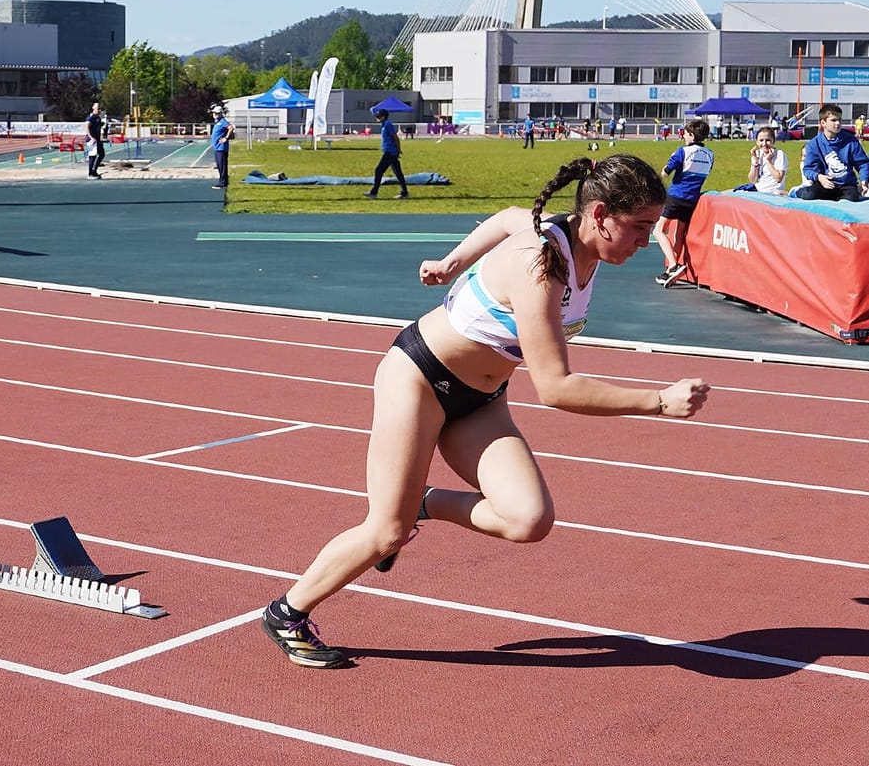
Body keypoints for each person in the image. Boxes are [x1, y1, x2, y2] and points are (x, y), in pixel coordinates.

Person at [259, 155, 710, 668]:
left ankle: (422, 503)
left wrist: (451, 264)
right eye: (639, 228)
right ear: (600, 213)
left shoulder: (569, 237)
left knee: (528, 520)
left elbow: (501, 218)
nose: (645, 242)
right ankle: (286, 611)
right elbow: (556, 388)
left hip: (480, 400)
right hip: (420, 381)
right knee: (385, 531)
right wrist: (658, 402)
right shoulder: (542, 264)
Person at [654, 117, 714, 287]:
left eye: (685, 133)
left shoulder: (682, 151)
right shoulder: (710, 154)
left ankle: (673, 265)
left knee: (659, 230)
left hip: (675, 196)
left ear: (691, 135)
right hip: (692, 200)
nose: (683, 136)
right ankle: (669, 272)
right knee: (679, 233)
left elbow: (666, 172)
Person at [794, 104, 869, 202]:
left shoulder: (851, 141)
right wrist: (819, 177)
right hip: (825, 183)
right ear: (823, 123)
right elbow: (808, 169)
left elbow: (862, 163)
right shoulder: (813, 144)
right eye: (833, 120)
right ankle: (796, 191)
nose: (838, 123)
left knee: (850, 200)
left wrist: (864, 181)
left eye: (840, 120)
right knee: (809, 195)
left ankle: (855, 191)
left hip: (846, 184)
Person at [363, 107, 408, 199]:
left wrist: (398, 149)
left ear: (384, 117)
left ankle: (374, 192)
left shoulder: (388, 124)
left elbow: (395, 137)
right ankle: (405, 192)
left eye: (379, 116)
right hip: (390, 151)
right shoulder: (384, 125)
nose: (377, 118)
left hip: (390, 152)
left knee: (379, 170)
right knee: (398, 172)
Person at [734, 126, 788, 195]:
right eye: (761, 140)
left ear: (773, 141)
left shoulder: (779, 154)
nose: (764, 144)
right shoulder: (757, 154)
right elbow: (752, 180)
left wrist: (768, 161)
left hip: (773, 192)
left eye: (768, 140)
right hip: (758, 191)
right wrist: (755, 162)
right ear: (757, 141)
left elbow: (778, 178)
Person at [208, 103, 234, 189]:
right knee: (219, 165)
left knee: (222, 165)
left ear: (220, 114)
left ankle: (223, 182)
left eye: (216, 113)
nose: (214, 115)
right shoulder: (217, 123)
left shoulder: (223, 121)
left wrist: (226, 137)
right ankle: (224, 181)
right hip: (217, 147)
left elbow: (231, 128)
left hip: (221, 147)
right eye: (214, 113)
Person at [85, 102, 108, 179]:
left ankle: (94, 170)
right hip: (92, 140)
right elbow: (86, 127)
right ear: (93, 108)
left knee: (101, 154)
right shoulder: (90, 117)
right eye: (98, 108)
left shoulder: (98, 117)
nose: (99, 110)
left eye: (100, 108)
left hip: (98, 139)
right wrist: (91, 137)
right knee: (92, 155)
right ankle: (90, 173)